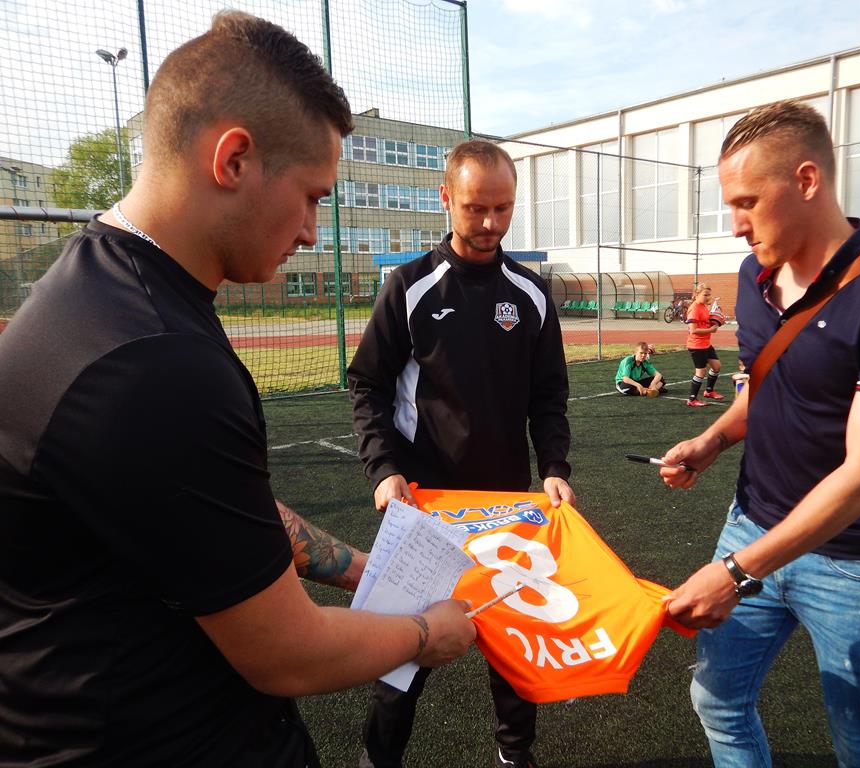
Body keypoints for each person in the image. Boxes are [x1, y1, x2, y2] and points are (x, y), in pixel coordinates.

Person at [0, 14, 475, 767]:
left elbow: (212, 509)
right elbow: (288, 654)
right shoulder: (153, 360)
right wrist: (427, 632)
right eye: (312, 196)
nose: (313, 231)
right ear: (234, 160)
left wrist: (359, 568)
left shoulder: (106, 291)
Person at [658, 100, 860, 766]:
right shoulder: (754, 274)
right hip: (751, 522)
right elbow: (764, 388)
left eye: (747, 202)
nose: (736, 224)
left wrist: (735, 572)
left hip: (855, 561)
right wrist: (713, 441)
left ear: (807, 180)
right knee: (718, 702)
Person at [348, 139, 574, 768]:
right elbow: (367, 384)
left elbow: (549, 394)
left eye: (503, 208)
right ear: (446, 198)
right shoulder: (410, 286)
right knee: (403, 655)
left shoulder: (530, 294)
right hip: (425, 505)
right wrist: (384, 470)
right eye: (476, 208)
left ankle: (515, 756)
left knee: (513, 645)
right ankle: (379, 761)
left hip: (507, 507)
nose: (491, 223)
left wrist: (554, 468)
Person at [685, 283, 723, 406]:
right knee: (700, 372)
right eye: (705, 295)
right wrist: (711, 330)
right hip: (696, 345)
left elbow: (705, 322)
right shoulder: (694, 308)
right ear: (696, 294)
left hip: (705, 343)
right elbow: (693, 330)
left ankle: (709, 391)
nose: (708, 297)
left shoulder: (704, 307)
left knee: (716, 366)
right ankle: (692, 400)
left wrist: (715, 321)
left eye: (709, 295)